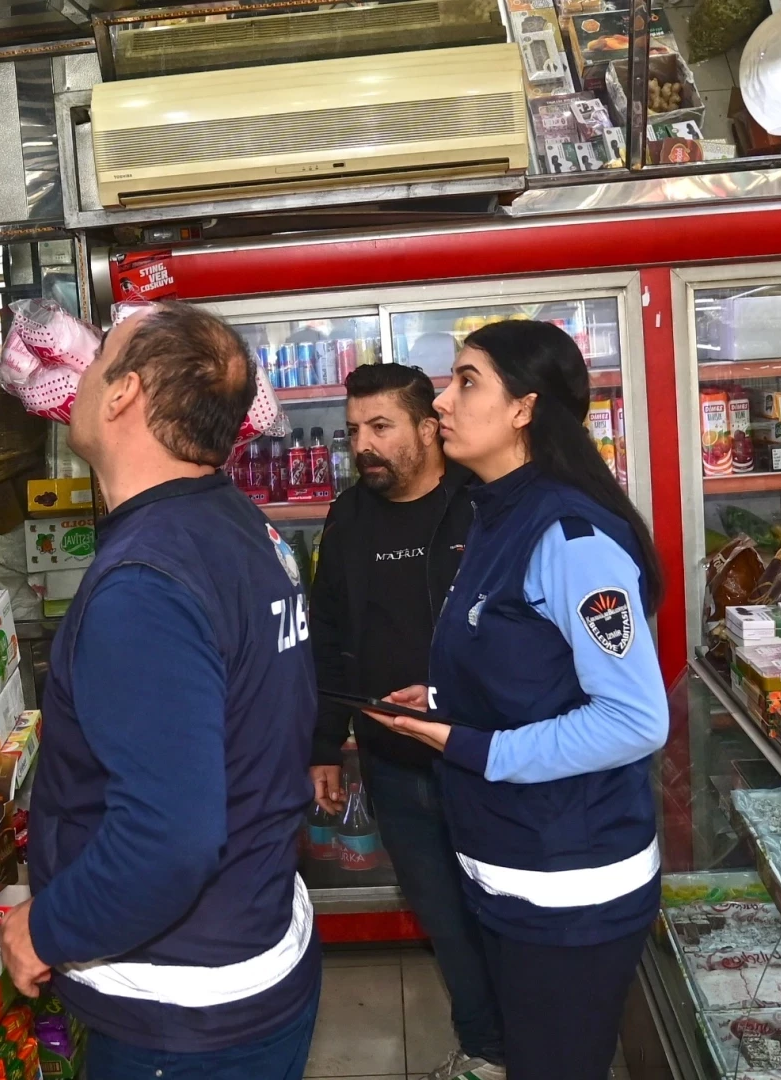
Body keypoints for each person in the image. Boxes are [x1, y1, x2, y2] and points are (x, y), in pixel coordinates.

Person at [0, 302, 323, 1080]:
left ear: (121, 395)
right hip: (255, 940)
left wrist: (47, 928)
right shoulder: (243, 526)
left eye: (99, 355)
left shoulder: (146, 583)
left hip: (180, 1009)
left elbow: (170, 839)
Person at [366, 319, 668, 1080]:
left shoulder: (570, 537)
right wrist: (440, 697)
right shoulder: (493, 514)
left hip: (568, 882)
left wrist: (470, 744)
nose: (442, 399)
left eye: (467, 381)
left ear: (524, 408)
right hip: (507, 864)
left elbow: (634, 719)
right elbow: (528, 663)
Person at [309, 362, 505, 1080]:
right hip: (394, 765)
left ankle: (536, 1047)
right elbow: (326, 630)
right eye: (354, 429)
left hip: (484, 757)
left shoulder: (483, 504)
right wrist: (324, 743)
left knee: (504, 918)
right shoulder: (348, 515)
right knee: (446, 926)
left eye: (380, 427)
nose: (363, 444)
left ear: (428, 428)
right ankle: (487, 1053)